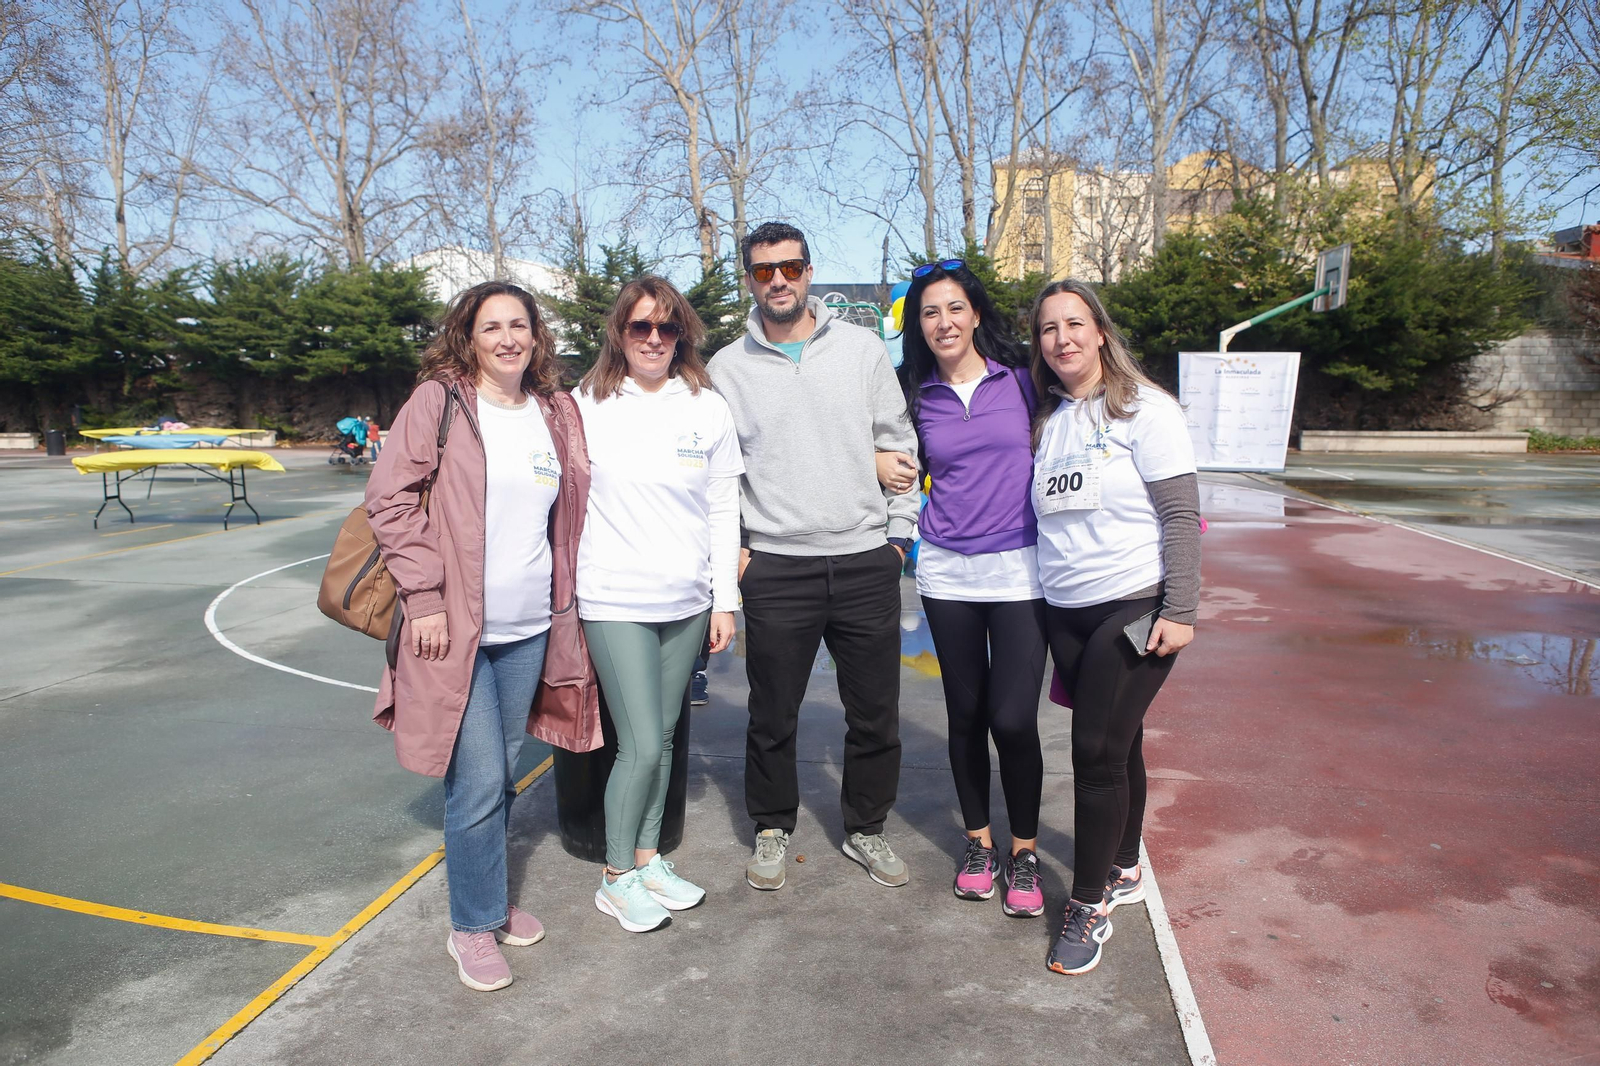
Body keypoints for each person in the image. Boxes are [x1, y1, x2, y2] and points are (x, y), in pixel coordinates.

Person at [365, 281, 582, 991]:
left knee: (500, 774)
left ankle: (486, 894)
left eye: (519, 325)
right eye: (492, 327)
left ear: (536, 336)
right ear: (469, 337)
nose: (507, 338)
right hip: (454, 627)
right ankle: (472, 925)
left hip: (528, 626)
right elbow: (389, 499)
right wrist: (424, 597)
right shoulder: (441, 402)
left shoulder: (553, 411)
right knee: (481, 777)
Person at [708, 221, 920, 891]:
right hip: (776, 568)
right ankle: (772, 827)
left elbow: (899, 443)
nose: (779, 281)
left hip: (864, 560)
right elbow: (719, 476)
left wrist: (897, 539)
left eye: (791, 268)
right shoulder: (725, 369)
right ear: (750, 279)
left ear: (809, 271)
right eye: (764, 270)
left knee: (875, 715)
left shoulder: (861, 350)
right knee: (772, 715)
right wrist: (739, 555)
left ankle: (866, 827)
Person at [1027, 279, 1200, 976]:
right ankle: (1125, 864)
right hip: (1065, 610)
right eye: (1048, 328)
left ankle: (1089, 903)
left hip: (1133, 603)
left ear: (1100, 331)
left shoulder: (1146, 409)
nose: (1062, 338)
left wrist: (1181, 609)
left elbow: (1181, 515)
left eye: (1074, 324)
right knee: (1119, 744)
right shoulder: (1049, 419)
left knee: (1094, 753)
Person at [575, 275, 742, 933]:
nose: (653, 338)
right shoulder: (585, 403)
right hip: (614, 599)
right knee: (641, 745)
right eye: (639, 326)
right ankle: (616, 877)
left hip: (687, 601)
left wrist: (724, 601)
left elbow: (723, 508)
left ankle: (647, 859)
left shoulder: (707, 406)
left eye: (666, 327)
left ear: (683, 335)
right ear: (619, 332)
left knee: (666, 737)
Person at [884, 259, 1049, 917]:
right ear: (918, 326)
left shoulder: (1024, 381)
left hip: (1020, 570)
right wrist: (877, 463)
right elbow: (885, 457)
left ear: (976, 314)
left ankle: (1025, 850)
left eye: (955, 308)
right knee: (966, 715)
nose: (944, 322)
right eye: (929, 312)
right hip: (948, 571)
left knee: (1013, 719)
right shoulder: (913, 395)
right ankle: (979, 843)